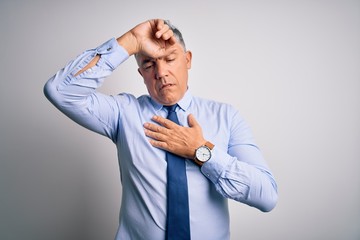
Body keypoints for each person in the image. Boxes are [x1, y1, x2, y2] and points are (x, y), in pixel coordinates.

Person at [44, 19, 278, 240]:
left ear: (188, 60)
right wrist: (130, 40)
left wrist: (201, 151)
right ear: (141, 74)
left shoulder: (226, 117)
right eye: (149, 63)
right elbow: (60, 91)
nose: (161, 72)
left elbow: (266, 196)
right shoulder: (124, 112)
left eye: (169, 58)